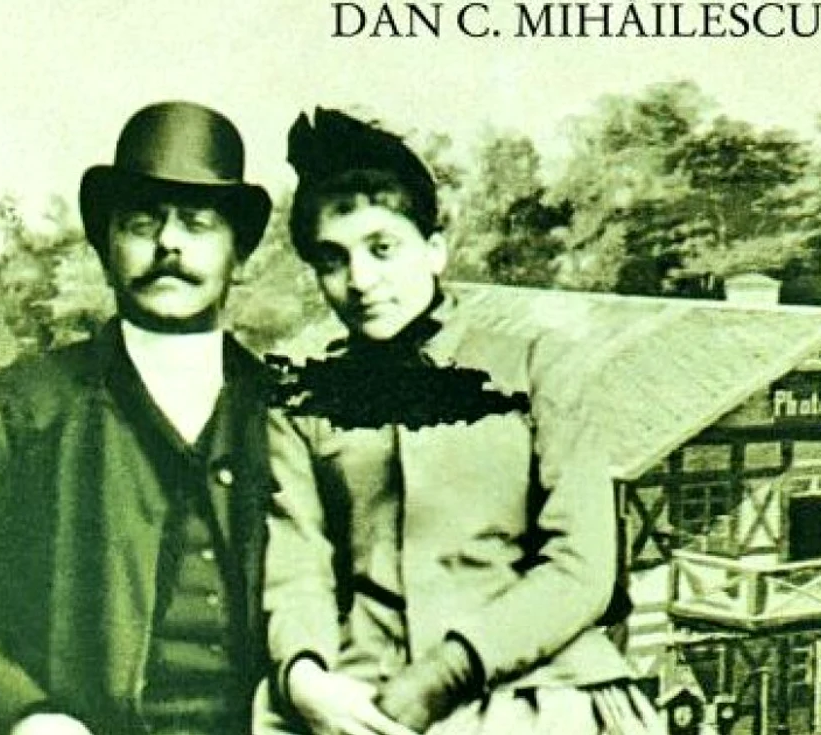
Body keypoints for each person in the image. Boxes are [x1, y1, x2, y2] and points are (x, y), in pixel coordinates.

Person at [0, 101, 276, 735]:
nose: (168, 243)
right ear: (107, 247)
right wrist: (23, 717)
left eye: (198, 223)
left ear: (239, 252)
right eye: (142, 222)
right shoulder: (17, 412)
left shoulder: (291, 416)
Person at [257, 109, 658, 734]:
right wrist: (305, 675)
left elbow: (581, 565)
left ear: (435, 249)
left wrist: (446, 672)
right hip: (364, 697)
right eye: (333, 260)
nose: (361, 280)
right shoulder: (297, 403)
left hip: (539, 692)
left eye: (382, 248)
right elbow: (296, 568)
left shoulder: (537, 367)